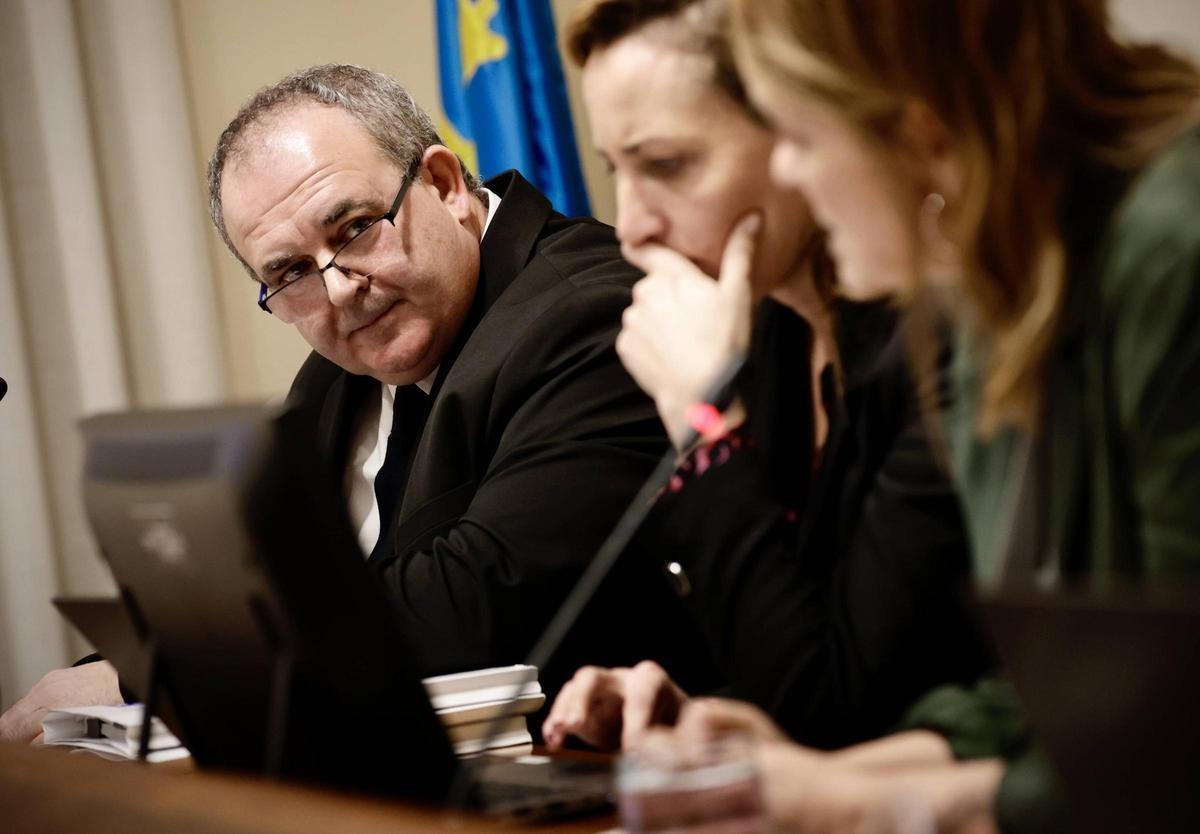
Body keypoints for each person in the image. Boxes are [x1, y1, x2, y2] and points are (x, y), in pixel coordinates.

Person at [0, 64, 721, 744]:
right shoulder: (338, 371)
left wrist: (148, 676)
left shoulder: (592, 311)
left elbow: (480, 601)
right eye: (289, 272)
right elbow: (253, 583)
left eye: (353, 228)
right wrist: (112, 668)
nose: (340, 288)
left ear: (443, 184)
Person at [622, 0, 1200, 831]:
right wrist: (802, 772)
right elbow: (1071, 698)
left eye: (800, 137)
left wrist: (859, 799)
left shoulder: (1172, 252)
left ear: (922, 130)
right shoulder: (987, 287)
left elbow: (1177, 731)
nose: (785, 174)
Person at [542, 0, 991, 754]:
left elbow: (842, 718)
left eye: (666, 164)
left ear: (797, 127)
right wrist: (698, 711)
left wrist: (704, 427)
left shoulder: (939, 342)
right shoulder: (768, 334)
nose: (630, 226)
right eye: (616, 169)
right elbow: (794, 670)